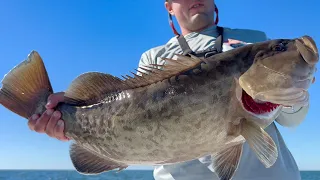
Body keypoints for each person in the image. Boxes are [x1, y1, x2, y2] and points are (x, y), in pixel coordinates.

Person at [28, 0, 311, 179]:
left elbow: (293, 119)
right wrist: (71, 112)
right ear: (169, 7)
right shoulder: (153, 58)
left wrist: (290, 94)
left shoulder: (253, 41)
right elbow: (129, 129)